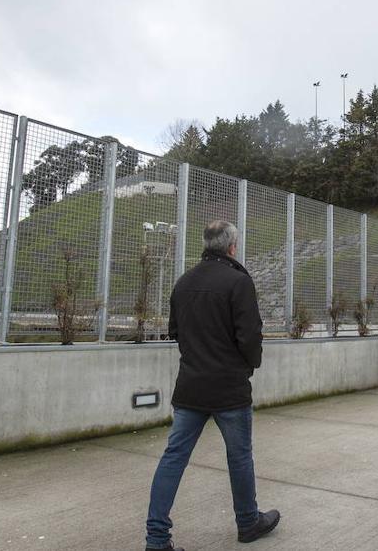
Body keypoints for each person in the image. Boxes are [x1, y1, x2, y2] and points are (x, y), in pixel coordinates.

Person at [144, 221, 280, 551]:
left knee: (173, 457)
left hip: (190, 387)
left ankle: (157, 539)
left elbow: (176, 331)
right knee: (240, 457)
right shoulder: (239, 282)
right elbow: (250, 337)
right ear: (232, 246)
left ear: (207, 245)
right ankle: (248, 522)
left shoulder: (184, 282)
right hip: (230, 389)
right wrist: (248, 365)